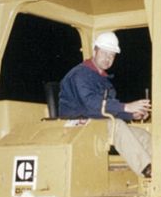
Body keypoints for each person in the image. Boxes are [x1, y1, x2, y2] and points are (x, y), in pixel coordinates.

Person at [58, 31, 154, 177]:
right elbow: (90, 104)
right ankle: (148, 170)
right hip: (75, 123)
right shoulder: (80, 75)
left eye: (112, 55)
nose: (108, 58)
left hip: (95, 122)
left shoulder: (102, 79)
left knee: (142, 134)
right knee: (118, 127)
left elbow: (107, 109)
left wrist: (131, 114)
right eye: (104, 53)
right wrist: (126, 107)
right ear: (95, 51)